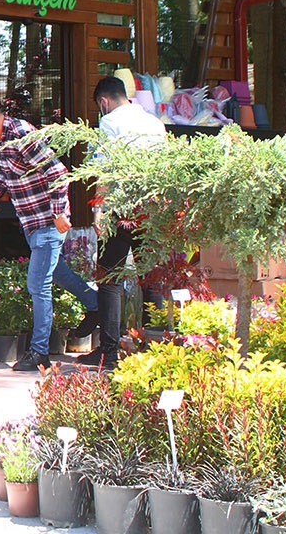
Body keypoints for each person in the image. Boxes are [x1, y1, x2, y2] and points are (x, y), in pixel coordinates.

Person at [0, 93, 99, 372]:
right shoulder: (0, 141)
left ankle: (40, 352)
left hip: (48, 221)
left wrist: (60, 212)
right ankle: (96, 304)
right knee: (59, 274)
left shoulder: (23, 133)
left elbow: (58, 172)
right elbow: (8, 172)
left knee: (38, 285)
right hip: (31, 221)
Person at [85, 76, 167, 370]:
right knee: (151, 277)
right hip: (152, 209)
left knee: (109, 279)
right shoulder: (154, 123)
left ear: (104, 102)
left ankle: (109, 351)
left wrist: (100, 213)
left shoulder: (109, 123)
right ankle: (153, 346)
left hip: (120, 211)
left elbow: (104, 171)